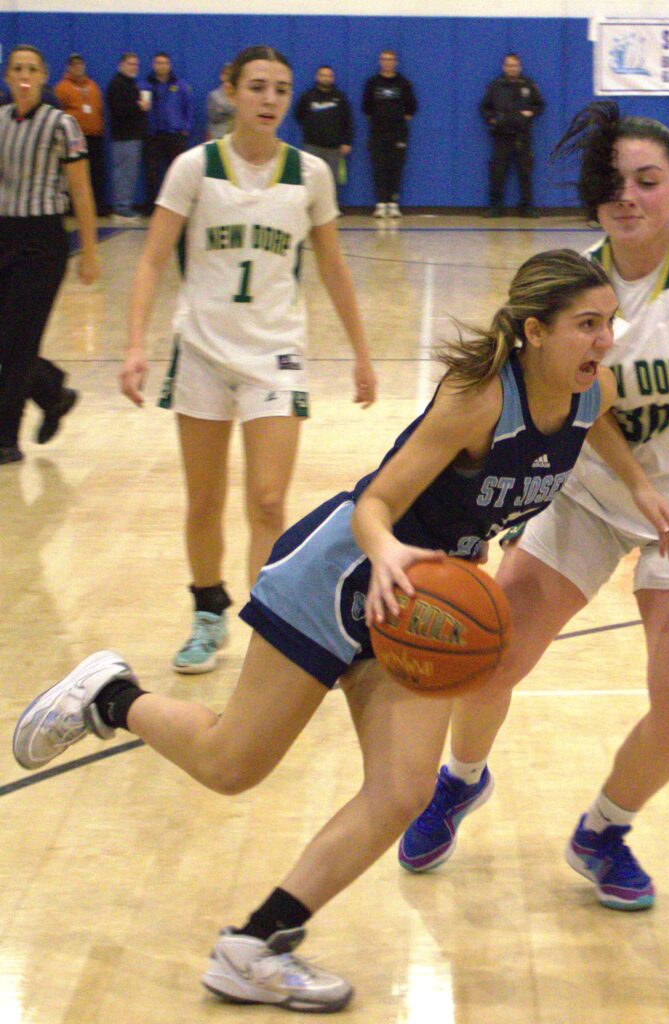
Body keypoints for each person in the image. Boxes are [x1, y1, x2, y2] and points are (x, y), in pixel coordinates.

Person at [13, 247, 669, 1011]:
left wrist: (639, 487)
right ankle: (111, 696)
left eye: (608, 324)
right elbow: (373, 503)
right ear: (534, 331)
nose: (602, 341)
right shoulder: (475, 399)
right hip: (342, 576)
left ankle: (253, 945)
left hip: (426, 610)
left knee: (400, 792)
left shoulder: (586, 397)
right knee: (233, 766)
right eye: (585, 325)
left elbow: (595, 435)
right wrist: (391, 549)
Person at [400, 50, 669, 911]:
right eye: (613, 181)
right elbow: (574, 404)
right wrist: (627, 482)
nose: (627, 195)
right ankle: (461, 779)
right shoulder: (575, 280)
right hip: (593, 491)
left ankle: (604, 828)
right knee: (490, 658)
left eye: (646, 180)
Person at [116, 46, 377, 674]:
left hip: (274, 355)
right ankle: (208, 614)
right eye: (257, 87)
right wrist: (133, 345)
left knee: (266, 500)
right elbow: (152, 258)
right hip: (202, 350)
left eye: (281, 89)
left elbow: (334, 269)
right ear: (230, 91)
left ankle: (268, 629)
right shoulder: (193, 168)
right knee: (204, 501)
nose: (269, 100)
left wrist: (362, 354)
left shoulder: (309, 174)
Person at [0, 44, 100, 466]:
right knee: (7, 340)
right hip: (3, 233)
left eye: (32, 68)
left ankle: (6, 437)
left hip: (43, 242)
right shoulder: (0, 121)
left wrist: (90, 251)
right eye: (17, 68)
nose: (24, 75)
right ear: (8, 77)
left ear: (43, 77)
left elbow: (80, 190)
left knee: (18, 339)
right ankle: (51, 391)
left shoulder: (63, 125)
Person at [479, 53, 545, 219]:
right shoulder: (496, 85)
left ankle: (526, 208)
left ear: (519, 67)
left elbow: (540, 105)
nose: (511, 68)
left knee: (525, 172)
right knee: (498, 173)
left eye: (514, 65)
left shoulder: (528, 85)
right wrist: (492, 119)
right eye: (508, 65)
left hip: (522, 136)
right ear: (503, 67)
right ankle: (495, 207)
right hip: (501, 136)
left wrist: (531, 113)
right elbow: (484, 108)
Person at [362, 50, 417, 218]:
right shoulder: (372, 83)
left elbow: (411, 108)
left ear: (396, 62)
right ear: (380, 61)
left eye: (391, 59)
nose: (387, 62)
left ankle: (393, 203)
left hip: (398, 133)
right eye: (384, 59)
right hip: (377, 133)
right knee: (379, 167)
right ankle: (380, 203)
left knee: (396, 167)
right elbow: (366, 108)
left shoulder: (403, 83)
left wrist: (397, 118)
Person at [54, 54, 108, 215]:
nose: (78, 67)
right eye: (74, 65)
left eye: (80, 64)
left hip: (94, 137)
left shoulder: (92, 86)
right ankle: (72, 208)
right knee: (75, 175)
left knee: (96, 173)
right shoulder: (62, 87)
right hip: (74, 139)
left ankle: (96, 206)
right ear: (69, 68)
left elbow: (99, 109)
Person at [142, 52, 192, 210]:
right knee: (152, 173)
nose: (161, 66)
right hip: (153, 135)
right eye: (158, 62)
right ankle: (152, 207)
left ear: (169, 65)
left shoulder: (181, 85)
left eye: (164, 63)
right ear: (153, 65)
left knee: (178, 171)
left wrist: (185, 128)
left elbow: (189, 108)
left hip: (175, 134)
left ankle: (178, 206)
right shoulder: (145, 85)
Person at [293, 65, 352, 197]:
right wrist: (311, 129)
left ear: (333, 78)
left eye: (329, 76)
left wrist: (346, 142)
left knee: (332, 180)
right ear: (317, 77)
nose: (326, 78)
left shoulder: (340, 97)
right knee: (311, 179)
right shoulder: (308, 96)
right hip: (312, 146)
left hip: (334, 147)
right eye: (323, 75)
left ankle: (331, 210)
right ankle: (311, 208)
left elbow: (347, 120)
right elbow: (298, 114)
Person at [105, 52, 148, 221]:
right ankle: (122, 208)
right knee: (124, 173)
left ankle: (124, 205)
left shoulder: (130, 84)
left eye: (136, 64)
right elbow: (119, 110)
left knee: (128, 173)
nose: (134, 67)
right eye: (130, 64)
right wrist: (139, 107)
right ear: (121, 65)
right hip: (124, 137)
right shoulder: (117, 84)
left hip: (131, 135)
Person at [206, 61, 235, 140]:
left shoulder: (241, 96)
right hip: (217, 137)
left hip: (235, 140)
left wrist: (223, 110)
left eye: (232, 74)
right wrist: (232, 111)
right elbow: (214, 117)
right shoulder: (213, 95)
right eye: (226, 74)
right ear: (221, 76)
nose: (229, 77)